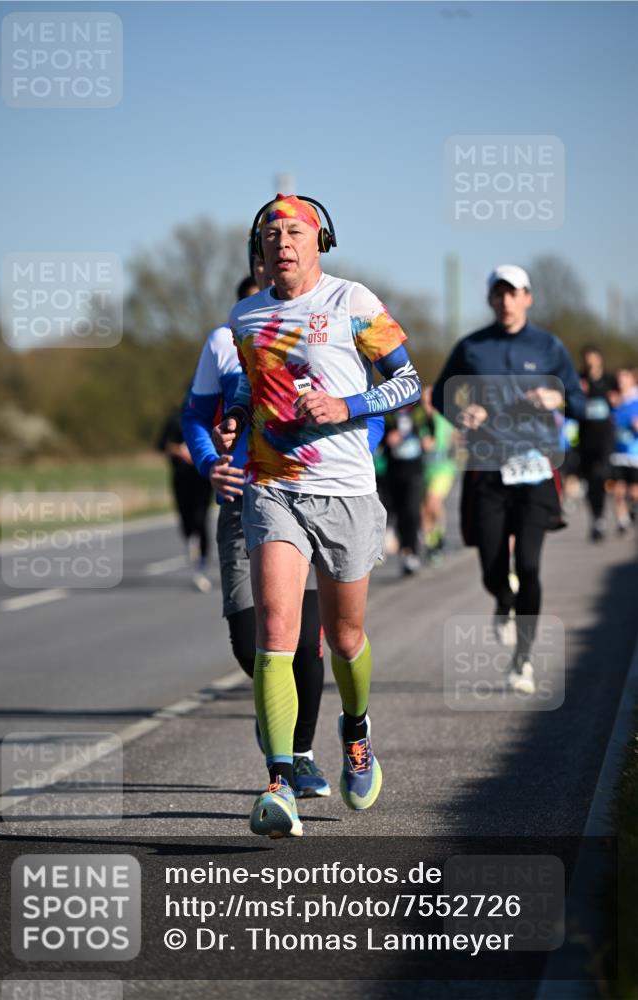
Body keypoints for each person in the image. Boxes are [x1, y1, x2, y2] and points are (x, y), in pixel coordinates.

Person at [213, 194, 421, 838]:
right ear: (260, 249)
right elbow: (250, 387)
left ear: (319, 240)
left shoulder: (353, 300)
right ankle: (278, 783)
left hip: (347, 492)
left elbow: (409, 382)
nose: (283, 242)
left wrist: (347, 405)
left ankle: (355, 733)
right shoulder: (245, 317)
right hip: (273, 488)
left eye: (295, 231)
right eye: (272, 233)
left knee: (345, 636)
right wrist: (235, 414)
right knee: (275, 628)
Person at [182, 268, 331, 798]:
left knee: (304, 646)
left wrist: (357, 459)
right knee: (255, 646)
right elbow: (196, 416)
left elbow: (370, 408)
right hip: (242, 502)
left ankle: (300, 757)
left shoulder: (323, 329)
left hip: (307, 497)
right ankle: (275, 712)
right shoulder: (225, 340)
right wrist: (207, 462)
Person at [432, 264, 586, 695]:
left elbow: (578, 400)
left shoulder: (548, 346)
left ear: (527, 298)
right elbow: (442, 392)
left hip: (536, 467)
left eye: (513, 293)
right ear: (490, 299)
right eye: (498, 293)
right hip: (487, 468)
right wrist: (460, 413)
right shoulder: (472, 347)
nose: (506, 300)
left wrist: (558, 396)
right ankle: (502, 599)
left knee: (531, 565)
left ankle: (523, 661)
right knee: (492, 566)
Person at [156, 405, 212, 591]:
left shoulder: (210, 415)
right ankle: (190, 541)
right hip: (181, 476)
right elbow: (160, 444)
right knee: (185, 518)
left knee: (201, 518)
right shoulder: (175, 419)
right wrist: (178, 450)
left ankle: (201, 566)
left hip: (202, 476)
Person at [578, 347, 617, 541]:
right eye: (587, 359)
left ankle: (600, 518)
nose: (591, 363)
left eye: (594, 359)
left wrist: (614, 401)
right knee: (588, 481)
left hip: (605, 438)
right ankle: (595, 516)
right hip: (585, 437)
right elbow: (569, 406)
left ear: (599, 360)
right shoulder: (579, 380)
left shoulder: (610, 380)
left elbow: (621, 402)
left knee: (601, 476)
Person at [382, 402, 425, 575]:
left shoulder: (418, 412)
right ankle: (405, 551)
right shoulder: (387, 413)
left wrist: (425, 440)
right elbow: (377, 435)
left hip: (414, 471)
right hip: (393, 471)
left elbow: (430, 432)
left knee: (411, 511)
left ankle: (412, 551)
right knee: (398, 513)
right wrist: (387, 439)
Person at [419, 385, 458, 562]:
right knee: (425, 508)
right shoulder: (421, 422)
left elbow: (456, 436)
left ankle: (440, 536)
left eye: (429, 399)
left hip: (444, 469)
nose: (426, 403)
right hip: (427, 469)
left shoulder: (444, 418)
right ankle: (430, 543)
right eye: (424, 400)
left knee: (433, 500)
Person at [608, 367, 638, 533]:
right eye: (619, 378)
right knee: (617, 491)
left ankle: (633, 508)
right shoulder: (613, 400)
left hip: (634, 454)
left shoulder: (636, 401)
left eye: (624, 377)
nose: (621, 381)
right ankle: (622, 521)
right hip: (617, 453)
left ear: (632, 379)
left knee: (634, 492)